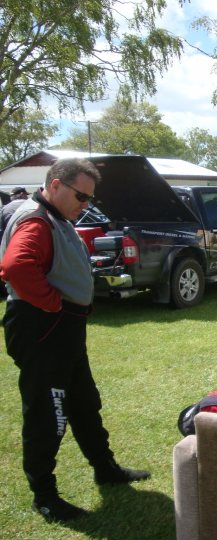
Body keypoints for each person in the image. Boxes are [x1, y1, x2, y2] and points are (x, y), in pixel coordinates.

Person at [0, 158, 150, 523]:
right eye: (81, 196)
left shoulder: (57, 218)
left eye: (89, 198)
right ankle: (45, 497)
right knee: (47, 415)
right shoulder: (36, 220)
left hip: (62, 330)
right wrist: (54, 304)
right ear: (54, 185)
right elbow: (16, 267)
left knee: (84, 402)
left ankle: (105, 468)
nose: (86, 204)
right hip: (44, 329)